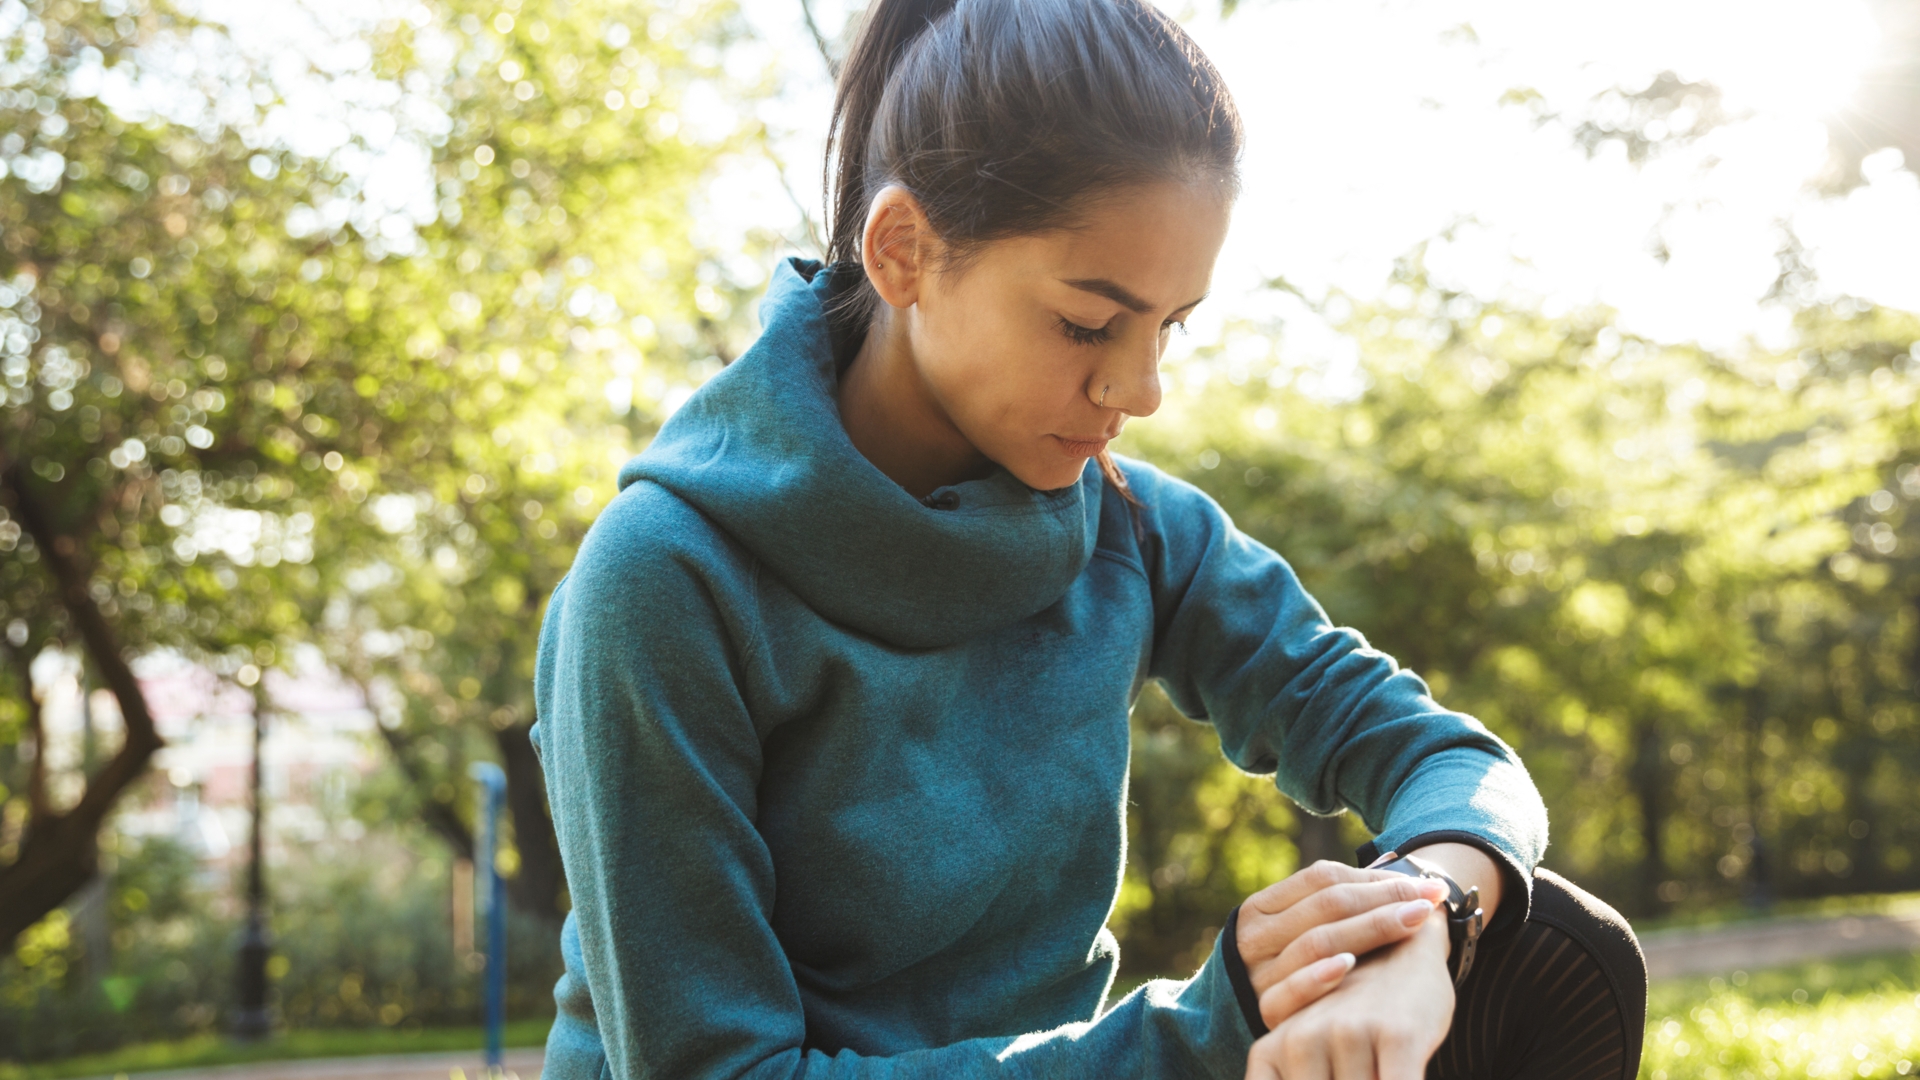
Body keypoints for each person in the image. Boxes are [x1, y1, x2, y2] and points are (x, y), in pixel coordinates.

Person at [529, 0, 1649, 1076]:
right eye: (1088, 322)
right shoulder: (664, 581)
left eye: (1171, 328)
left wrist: (1427, 920)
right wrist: (1214, 1032)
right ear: (903, 250)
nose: (1142, 388)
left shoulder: (1131, 529)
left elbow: (1453, 762)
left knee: (1554, 956)